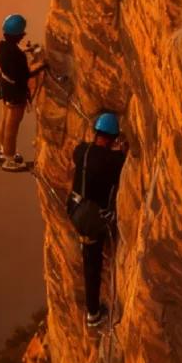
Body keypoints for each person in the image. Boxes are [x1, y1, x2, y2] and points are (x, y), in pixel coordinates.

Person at [66, 112, 127, 328]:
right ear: (113, 138)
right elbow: (120, 162)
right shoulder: (114, 161)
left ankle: (92, 310)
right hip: (91, 220)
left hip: (74, 209)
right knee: (93, 266)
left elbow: (78, 157)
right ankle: (93, 314)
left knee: (88, 256)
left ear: (96, 133)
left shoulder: (82, 149)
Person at [0, 13, 45, 172]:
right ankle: (9, 159)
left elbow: (14, 52)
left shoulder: (2, 46)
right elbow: (23, 75)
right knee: (12, 124)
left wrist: (26, 50)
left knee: (4, 120)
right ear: (19, 34)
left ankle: (4, 151)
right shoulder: (16, 55)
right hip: (16, 91)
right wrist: (41, 66)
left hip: (5, 87)